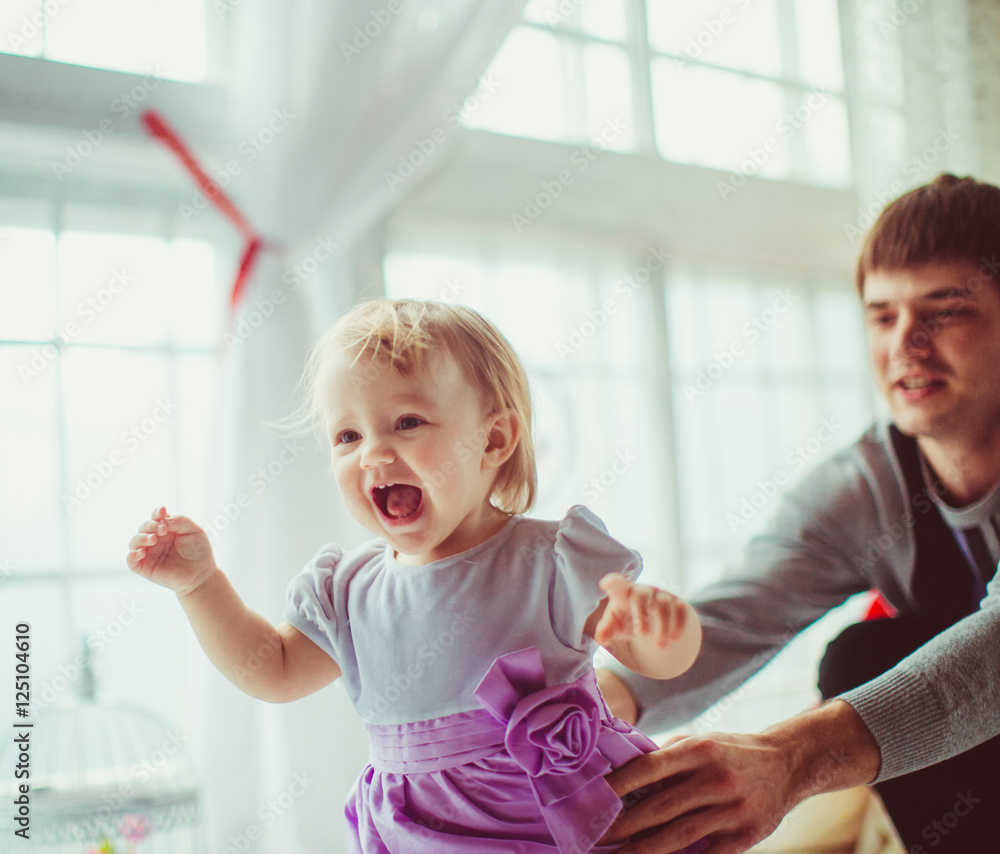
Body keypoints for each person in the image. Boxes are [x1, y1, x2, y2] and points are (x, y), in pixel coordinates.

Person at [126, 299, 708, 853]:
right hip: (417, 834)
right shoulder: (348, 591)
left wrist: (663, 634)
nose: (373, 454)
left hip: (558, 821)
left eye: (406, 422)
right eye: (348, 436)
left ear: (494, 438)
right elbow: (271, 670)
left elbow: (660, 661)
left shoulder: (550, 560)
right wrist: (199, 586)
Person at [595, 173, 1000, 854]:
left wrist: (792, 759)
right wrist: (592, 711)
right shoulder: (868, 484)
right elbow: (739, 614)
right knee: (862, 657)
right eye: (882, 314)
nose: (906, 342)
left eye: (945, 310)